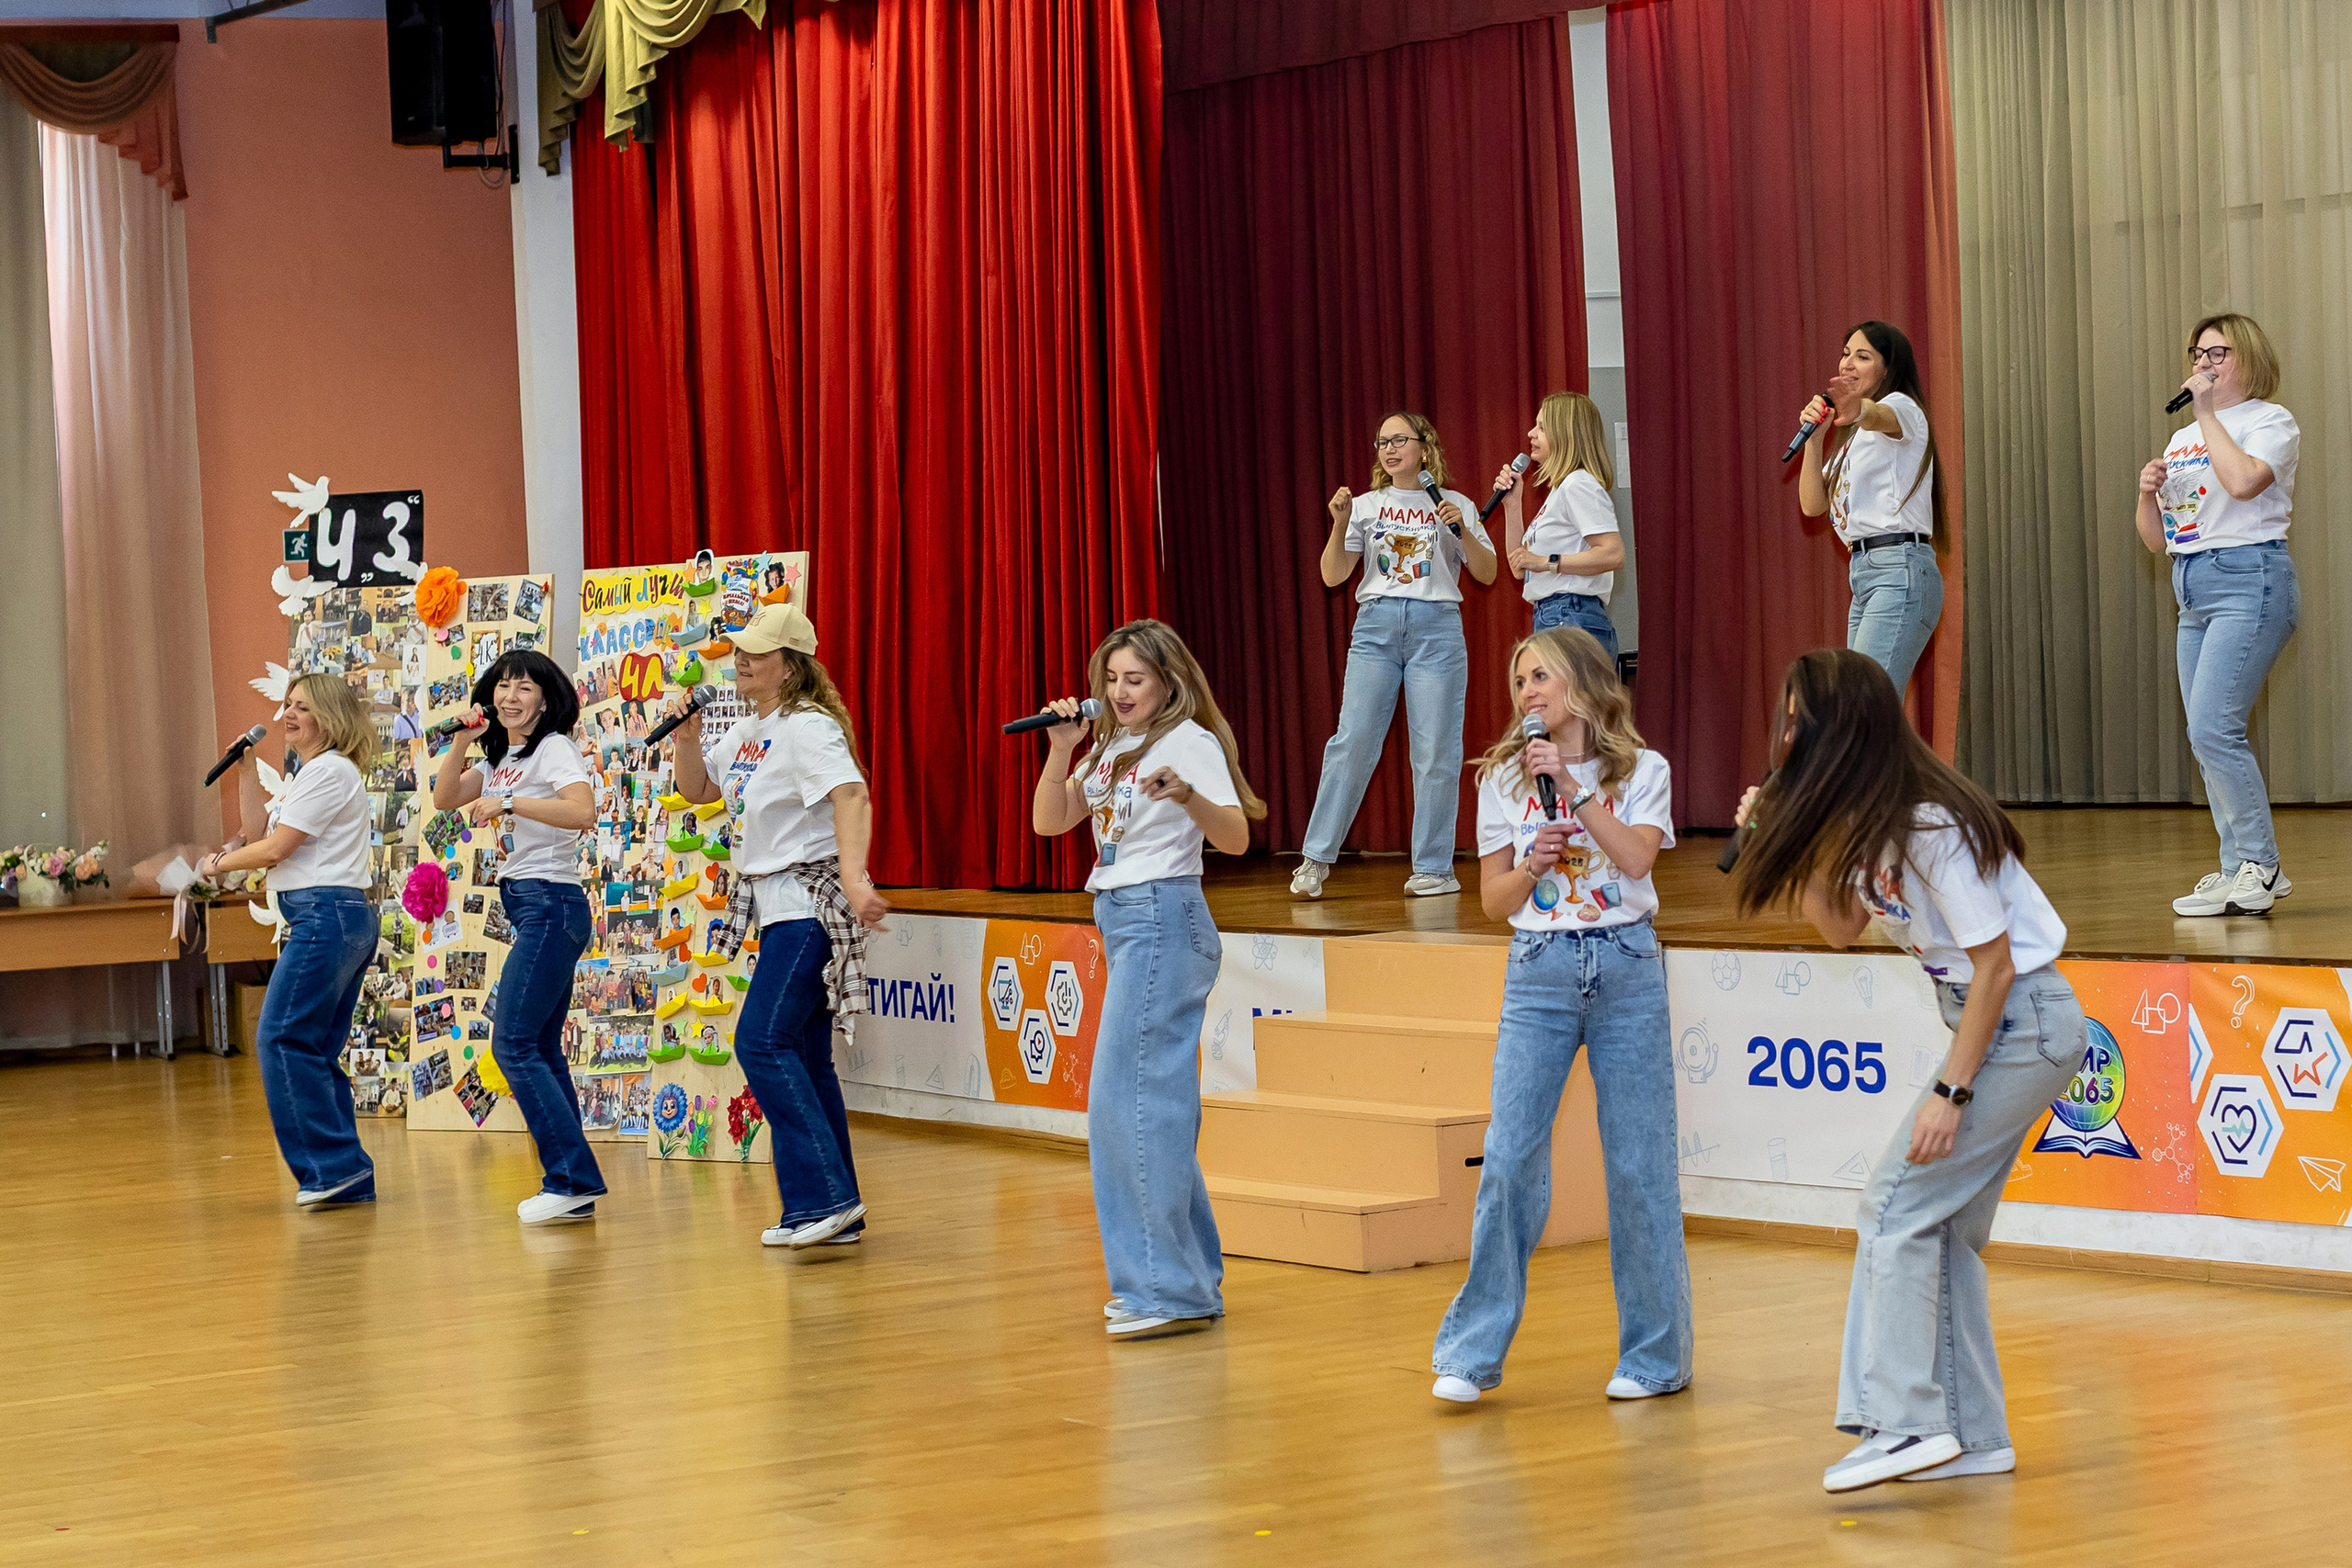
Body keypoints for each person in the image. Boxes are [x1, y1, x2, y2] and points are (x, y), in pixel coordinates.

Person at [1731, 648, 2082, 1493]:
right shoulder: (1867, 822)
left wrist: (1953, 1093)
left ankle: (1903, 1421)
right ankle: (1974, 1432)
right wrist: (1781, 840)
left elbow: (1994, 966)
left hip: (2023, 1021)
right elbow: (1842, 927)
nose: (1782, 737)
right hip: (1992, 1020)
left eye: (1793, 720)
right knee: (1942, 1229)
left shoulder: (1928, 823)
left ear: (1836, 730)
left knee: (1888, 1207)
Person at [1430, 626, 1691, 1406]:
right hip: (1540, 972)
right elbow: (1493, 899)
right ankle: (1470, 1356)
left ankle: (1654, 1358)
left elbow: (1638, 858)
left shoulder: (1642, 769)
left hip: (1626, 967)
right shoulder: (1502, 780)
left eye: (1541, 675)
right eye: (1519, 682)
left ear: (1581, 680)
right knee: (1509, 1158)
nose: (1528, 693)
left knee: (1640, 1167)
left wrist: (1576, 792)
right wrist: (1532, 865)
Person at [1031, 619, 1266, 1337]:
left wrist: (1188, 794)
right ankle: (1185, 1278)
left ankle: (1164, 1289)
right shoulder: (1107, 746)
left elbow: (1235, 836)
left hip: (1163, 914)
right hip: (1125, 920)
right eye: (1111, 677)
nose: (1119, 690)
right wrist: (1062, 748)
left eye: (1134, 678)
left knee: (1127, 1104)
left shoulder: (1187, 741)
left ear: (1167, 680)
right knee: (1146, 1106)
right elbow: (1051, 821)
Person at [669, 603, 888, 1249]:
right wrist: (686, 735)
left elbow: (851, 793)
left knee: (761, 1041)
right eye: (738, 648)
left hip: (808, 907)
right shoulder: (753, 730)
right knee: (807, 1056)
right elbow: (703, 789)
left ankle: (826, 1197)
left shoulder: (807, 727)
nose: (740, 658)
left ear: (790, 665)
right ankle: (825, 1206)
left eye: (756, 651)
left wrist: (855, 877)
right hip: (776, 907)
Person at [1294, 412, 1498, 900]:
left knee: (1435, 752)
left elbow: (1488, 573)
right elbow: (1332, 575)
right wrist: (1340, 523)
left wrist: (1460, 531)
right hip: (1377, 629)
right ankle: (1316, 858)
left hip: (1437, 630)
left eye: (1399, 439)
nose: (1388, 449)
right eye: (1381, 441)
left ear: (1424, 447)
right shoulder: (1365, 506)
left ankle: (1433, 868)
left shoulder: (1457, 503)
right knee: (1351, 741)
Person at [2136, 312, 2301, 917]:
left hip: (2250, 580)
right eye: (2197, 353)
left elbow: (2244, 482)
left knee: (2213, 727)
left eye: (2217, 354)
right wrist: (2146, 493)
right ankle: (2240, 868)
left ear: (2249, 359)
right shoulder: (2182, 440)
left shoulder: (2270, 421)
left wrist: (2206, 415)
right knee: (2204, 734)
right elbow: (2159, 540)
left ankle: (2261, 863)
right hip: (2192, 586)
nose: (2203, 363)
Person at [431, 649, 603, 1225]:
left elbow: (582, 811)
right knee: (540, 1047)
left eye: (524, 687)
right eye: (503, 686)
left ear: (547, 698)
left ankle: (571, 1180)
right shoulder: (507, 755)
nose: (511, 696)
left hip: (551, 903)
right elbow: (444, 798)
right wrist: (463, 738)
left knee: (512, 1045)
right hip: (532, 907)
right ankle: (570, 1182)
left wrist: (505, 800)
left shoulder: (553, 747)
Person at [198, 674, 383, 1209]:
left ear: (329, 715)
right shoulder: (311, 773)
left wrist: (218, 866)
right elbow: (262, 829)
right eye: (287, 705)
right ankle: (344, 1171)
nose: (289, 714)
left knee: (280, 1037)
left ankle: (331, 1169)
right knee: (313, 1047)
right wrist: (241, 771)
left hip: (326, 916)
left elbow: (275, 849)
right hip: (331, 917)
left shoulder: (329, 771)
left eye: (302, 706)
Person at [1794, 321, 1946, 700]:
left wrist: (1857, 409)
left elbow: (1878, 417)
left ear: (1888, 368)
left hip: (1899, 569)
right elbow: (1813, 505)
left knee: (1865, 706)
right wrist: (1814, 442)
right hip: (1865, 575)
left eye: (1862, 356)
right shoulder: (1851, 442)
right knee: (1862, 706)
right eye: (1845, 353)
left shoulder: (1901, 408)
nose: (1847, 363)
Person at [1493, 391, 1624, 660]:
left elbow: (1612, 553)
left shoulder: (1578, 484)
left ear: (1565, 434)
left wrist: (1546, 562)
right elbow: (1519, 567)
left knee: (1572, 702)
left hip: (1571, 615)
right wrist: (1512, 505)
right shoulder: (1560, 490)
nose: (1531, 433)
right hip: (1554, 615)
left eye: (1541, 427)